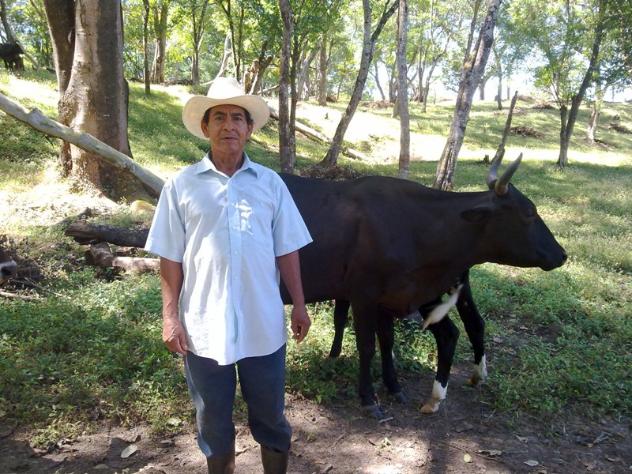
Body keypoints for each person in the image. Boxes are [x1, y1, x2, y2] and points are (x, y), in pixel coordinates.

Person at [145, 77, 312, 474]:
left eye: (238, 117)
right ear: (205, 127)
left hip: (262, 326)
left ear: (249, 129)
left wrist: (299, 305)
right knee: (213, 424)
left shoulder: (270, 184)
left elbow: (287, 249)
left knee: (271, 419)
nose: (229, 125)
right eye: (219, 117)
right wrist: (170, 317)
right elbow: (170, 257)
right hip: (203, 329)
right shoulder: (181, 186)